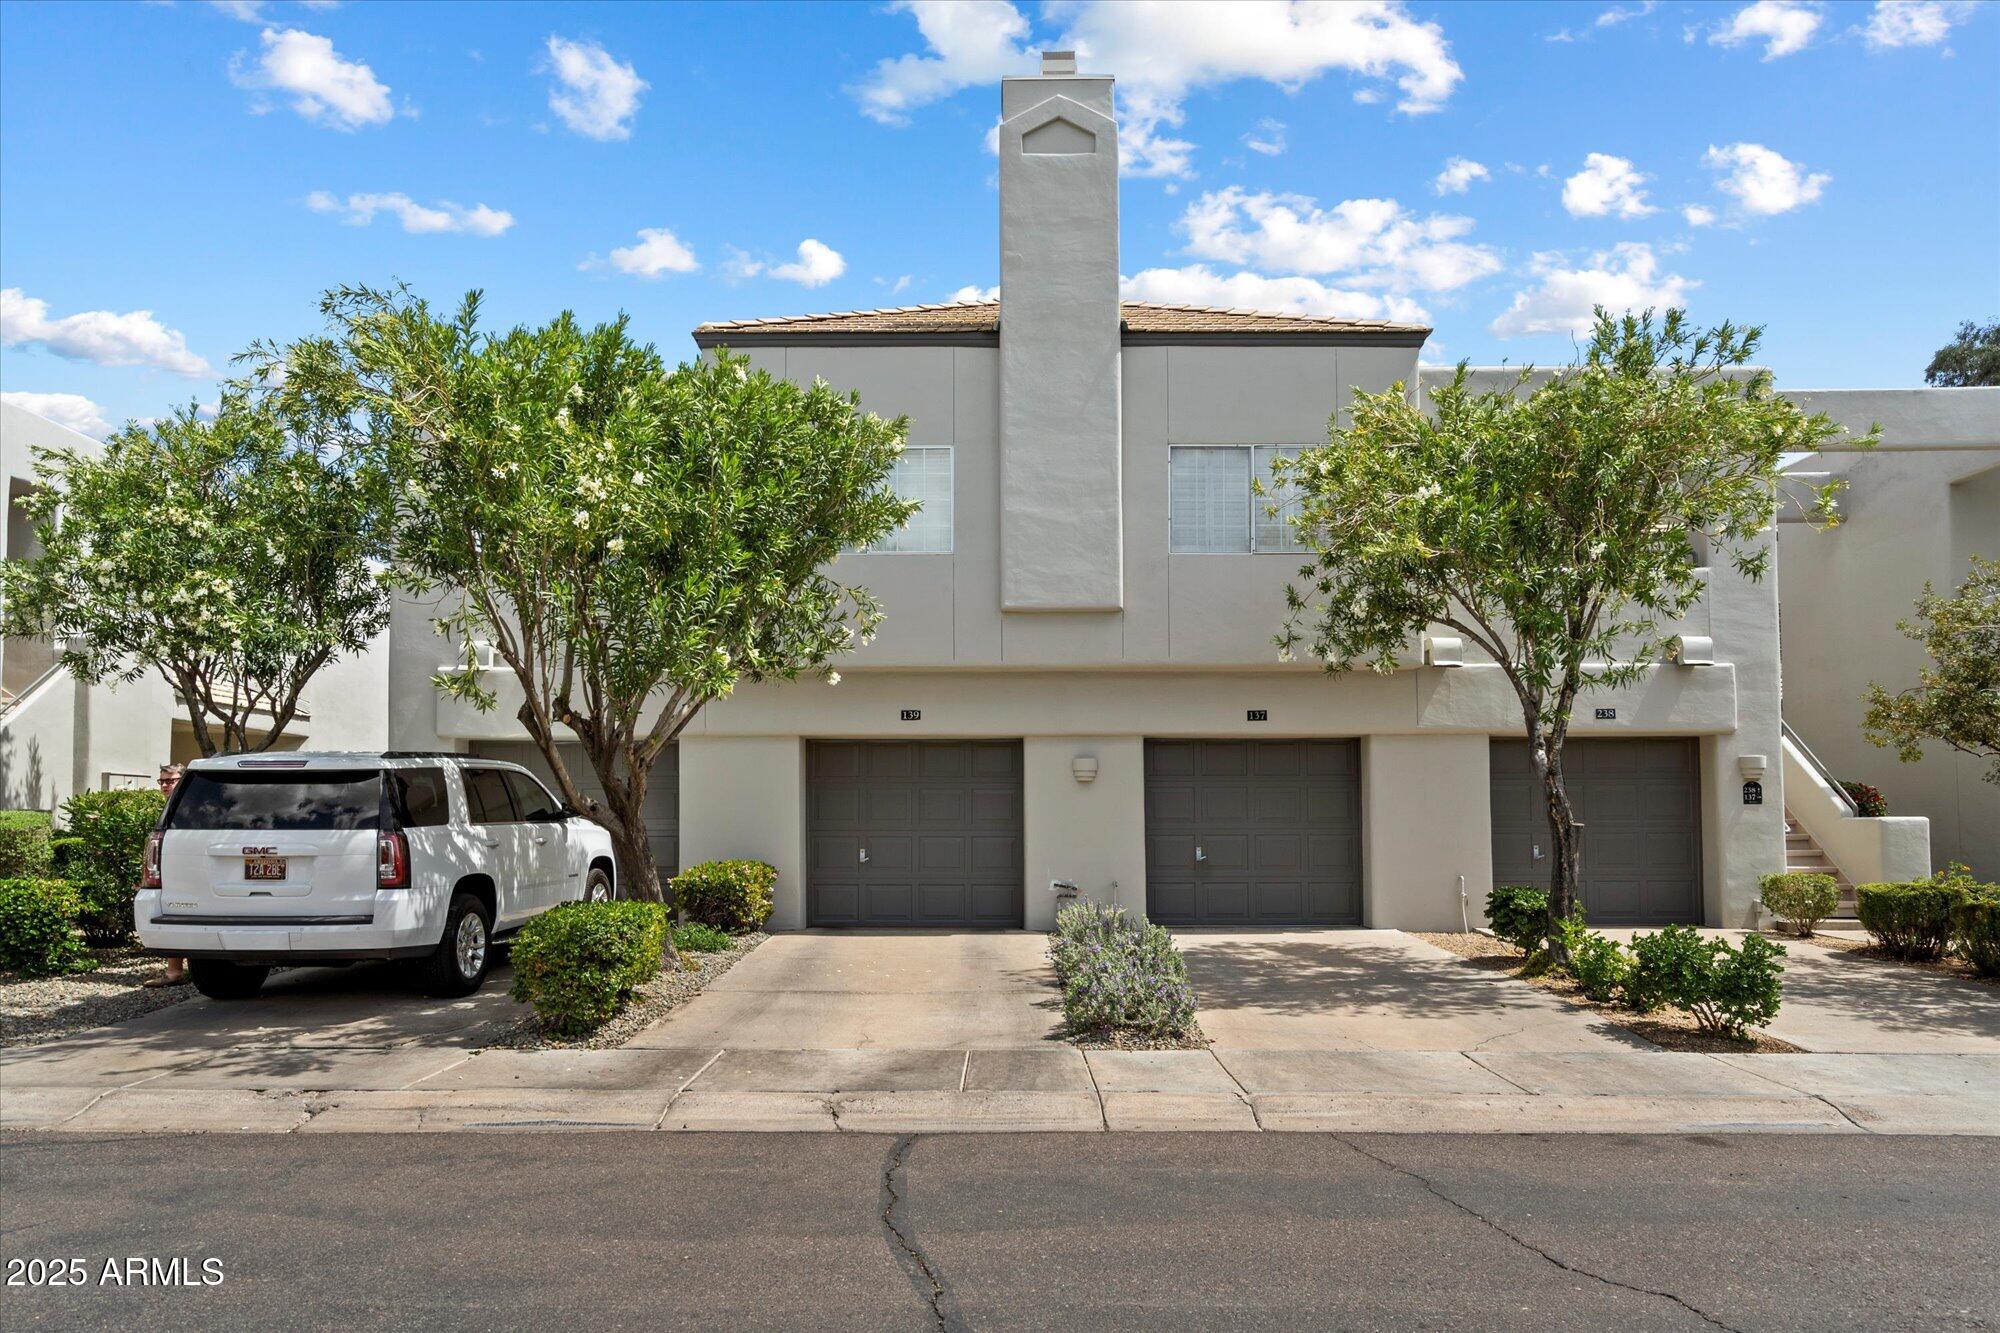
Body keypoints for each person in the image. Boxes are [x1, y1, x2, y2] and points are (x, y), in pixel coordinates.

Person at [142, 763, 188, 988]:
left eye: (171, 780)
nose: (165, 785)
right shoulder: (173, 806)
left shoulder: (186, 806)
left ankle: (175, 972)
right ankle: (174, 970)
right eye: (162, 781)